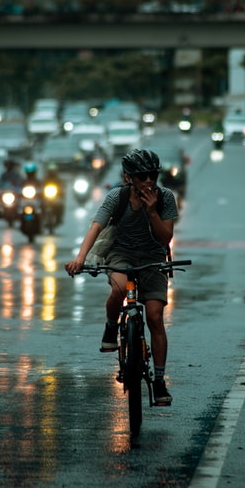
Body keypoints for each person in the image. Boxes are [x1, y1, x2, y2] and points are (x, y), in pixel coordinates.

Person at [65, 149, 179, 405]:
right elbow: (96, 227)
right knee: (118, 290)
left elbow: (165, 238)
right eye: (141, 177)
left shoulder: (166, 198)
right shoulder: (116, 197)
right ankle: (111, 325)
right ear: (129, 178)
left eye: (152, 175)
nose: (148, 181)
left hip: (153, 258)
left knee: (154, 316)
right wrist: (80, 258)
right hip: (121, 255)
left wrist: (151, 212)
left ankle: (159, 380)